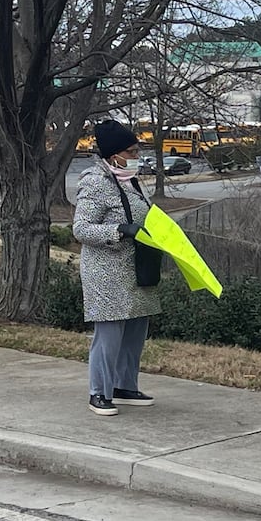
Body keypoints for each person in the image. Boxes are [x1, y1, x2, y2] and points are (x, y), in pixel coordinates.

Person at [72, 119, 160, 416]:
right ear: (114, 156)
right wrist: (118, 230)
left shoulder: (129, 179)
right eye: (132, 152)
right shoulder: (95, 182)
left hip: (135, 267)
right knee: (109, 334)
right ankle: (99, 391)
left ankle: (124, 385)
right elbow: (81, 229)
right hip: (106, 271)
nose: (137, 157)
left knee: (136, 329)